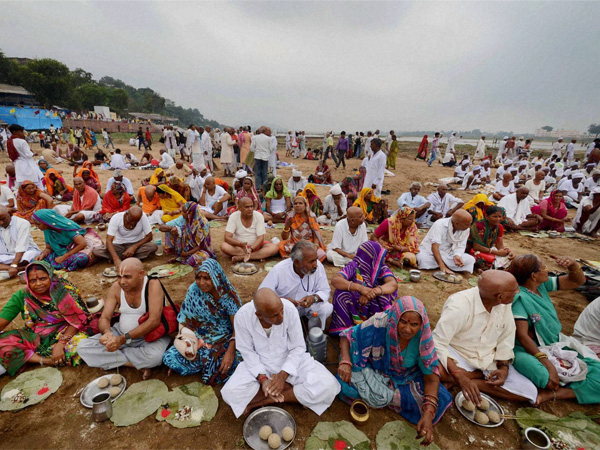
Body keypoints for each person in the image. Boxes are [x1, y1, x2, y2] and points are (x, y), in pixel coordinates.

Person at [337, 297, 452, 446]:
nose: (407, 329)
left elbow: (431, 378)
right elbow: (347, 336)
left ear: (421, 324)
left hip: (404, 378)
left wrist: (428, 416)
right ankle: (389, 398)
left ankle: (385, 397)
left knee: (440, 399)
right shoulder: (379, 323)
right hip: (373, 370)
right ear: (395, 317)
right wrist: (345, 361)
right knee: (344, 384)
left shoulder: (423, 339)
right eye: (403, 322)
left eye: (414, 324)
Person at [221, 288, 340, 417]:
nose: (281, 316)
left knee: (330, 385)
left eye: (281, 311)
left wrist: (283, 376)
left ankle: (263, 401)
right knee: (229, 393)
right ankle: (292, 391)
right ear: (259, 315)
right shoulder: (242, 316)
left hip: (290, 360)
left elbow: (298, 347)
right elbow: (248, 352)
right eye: (275, 315)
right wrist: (263, 380)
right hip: (260, 363)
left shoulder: (289, 309)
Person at [433, 270, 538, 405]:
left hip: (488, 362)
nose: (517, 292)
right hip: (457, 355)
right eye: (515, 290)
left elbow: (506, 337)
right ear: (500, 296)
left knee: (529, 391)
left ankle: (473, 381)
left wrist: (504, 369)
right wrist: (458, 374)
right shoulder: (459, 305)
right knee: (431, 367)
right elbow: (438, 342)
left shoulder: (504, 304)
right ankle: (470, 377)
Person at [508, 254, 600, 405]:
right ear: (534, 276)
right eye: (544, 267)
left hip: (556, 343)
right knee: (544, 376)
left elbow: (577, 281)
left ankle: (557, 393)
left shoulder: (541, 285)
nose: (547, 269)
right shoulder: (521, 298)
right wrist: (548, 365)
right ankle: (563, 383)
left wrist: (573, 266)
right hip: (529, 349)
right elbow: (523, 337)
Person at [0, 261, 100, 376]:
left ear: (51, 276)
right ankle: (46, 360)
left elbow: (79, 318)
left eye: (43, 278)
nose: (38, 284)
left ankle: (29, 357)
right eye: (33, 281)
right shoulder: (23, 295)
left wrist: (61, 343)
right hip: (36, 338)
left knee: (83, 344)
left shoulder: (64, 289)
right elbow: (2, 322)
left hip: (68, 332)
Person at [77, 258, 170, 380]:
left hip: (148, 337)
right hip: (120, 333)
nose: (122, 282)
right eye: (119, 277)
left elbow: (154, 321)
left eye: (127, 277)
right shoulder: (116, 287)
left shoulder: (153, 284)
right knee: (83, 347)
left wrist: (121, 340)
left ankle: (112, 359)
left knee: (155, 357)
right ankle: (134, 364)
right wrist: (107, 333)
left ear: (141, 274)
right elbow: (105, 317)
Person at [162, 259, 241, 382]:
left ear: (216, 277)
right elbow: (184, 320)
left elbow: (238, 328)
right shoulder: (194, 290)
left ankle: (204, 365)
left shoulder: (228, 296)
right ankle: (203, 364)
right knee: (170, 357)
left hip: (224, 338)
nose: (201, 282)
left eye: (206, 278)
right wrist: (190, 341)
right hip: (198, 335)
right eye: (198, 277)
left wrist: (230, 353)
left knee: (228, 362)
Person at [260, 240, 332, 330]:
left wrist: (314, 298)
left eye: (316, 259)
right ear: (297, 262)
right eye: (311, 261)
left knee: (325, 308)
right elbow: (263, 294)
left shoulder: (318, 266)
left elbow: (325, 290)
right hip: (285, 309)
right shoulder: (279, 270)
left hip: (309, 306)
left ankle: (315, 332)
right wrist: (283, 301)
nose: (315, 265)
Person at [329, 241, 399, 334]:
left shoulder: (380, 267)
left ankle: (378, 328)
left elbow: (392, 284)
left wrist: (373, 292)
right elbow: (336, 279)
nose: (382, 259)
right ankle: (346, 330)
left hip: (373, 299)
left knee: (384, 296)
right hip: (357, 301)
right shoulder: (354, 265)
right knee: (340, 294)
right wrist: (360, 289)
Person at [32, 209, 101, 271]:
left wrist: (64, 257)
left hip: (76, 250)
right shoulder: (47, 230)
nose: (37, 227)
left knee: (81, 258)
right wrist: (43, 254)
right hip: (60, 252)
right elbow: (48, 248)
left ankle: (61, 265)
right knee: (35, 261)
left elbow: (82, 244)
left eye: (38, 224)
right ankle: (63, 265)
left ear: (47, 222)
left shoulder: (66, 227)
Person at [93, 206, 157, 268]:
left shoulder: (143, 217)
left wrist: (134, 247)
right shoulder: (116, 218)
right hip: (120, 246)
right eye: (131, 220)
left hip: (137, 246)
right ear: (126, 214)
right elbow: (109, 241)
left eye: (136, 221)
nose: (133, 223)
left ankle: (123, 258)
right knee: (97, 250)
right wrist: (116, 259)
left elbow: (149, 237)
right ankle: (128, 259)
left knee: (153, 247)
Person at [220, 197, 279, 262]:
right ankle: (257, 256)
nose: (250, 209)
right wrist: (240, 244)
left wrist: (251, 248)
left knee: (274, 248)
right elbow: (227, 237)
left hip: (256, 247)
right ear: (239, 208)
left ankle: (242, 257)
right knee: (224, 246)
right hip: (240, 248)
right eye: (247, 207)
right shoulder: (233, 216)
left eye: (251, 206)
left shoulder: (259, 216)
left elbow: (261, 238)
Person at [417, 209, 475, 274]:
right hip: (431, 253)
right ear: (457, 223)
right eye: (467, 224)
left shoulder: (466, 230)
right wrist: (442, 266)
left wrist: (457, 255)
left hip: (448, 254)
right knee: (421, 258)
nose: (469, 226)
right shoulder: (440, 224)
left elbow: (461, 246)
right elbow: (434, 247)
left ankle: (442, 264)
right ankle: (443, 265)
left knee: (470, 260)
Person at [158, 202, 215, 267]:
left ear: (190, 213)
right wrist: (174, 228)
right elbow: (162, 228)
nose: (182, 214)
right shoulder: (185, 220)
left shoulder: (202, 225)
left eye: (184, 212)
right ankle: (180, 256)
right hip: (188, 248)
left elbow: (201, 246)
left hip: (201, 250)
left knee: (195, 259)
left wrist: (187, 253)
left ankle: (183, 258)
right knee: (174, 230)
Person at [279, 196, 327, 261]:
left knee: (321, 254)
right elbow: (284, 237)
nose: (298, 205)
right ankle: (302, 258)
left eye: (300, 203)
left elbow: (316, 234)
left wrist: (315, 246)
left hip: (309, 244)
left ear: (305, 205)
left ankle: (296, 258)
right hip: (295, 244)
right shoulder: (290, 217)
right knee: (280, 246)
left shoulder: (311, 217)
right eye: (295, 203)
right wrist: (287, 226)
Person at [467, 205, 513, 271]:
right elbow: (476, 246)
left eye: (500, 216)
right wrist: (496, 252)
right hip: (472, 250)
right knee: (476, 260)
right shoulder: (478, 225)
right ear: (486, 216)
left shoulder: (499, 227)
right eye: (495, 216)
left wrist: (505, 251)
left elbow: (500, 245)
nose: (498, 219)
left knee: (510, 259)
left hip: (487, 251)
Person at [0, 206, 41, 279]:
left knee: (29, 255)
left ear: (10, 214)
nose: (1, 222)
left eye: (3, 219)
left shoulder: (22, 223)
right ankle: (20, 269)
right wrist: (12, 267)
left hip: (24, 253)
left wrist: (14, 265)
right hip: (5, 256)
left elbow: (21, 247)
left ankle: (10, 268)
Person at [6, 124, 44, 189]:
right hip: (27, 164)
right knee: (36, 183)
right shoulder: (22, 141)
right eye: (21, 131)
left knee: (22, 184)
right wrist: (34, 153)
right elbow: (28, 154)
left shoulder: (9, 141)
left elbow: (9, 154)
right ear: (15, 132)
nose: (23, 133)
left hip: (18, 165)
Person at [251, 127, 272, 192]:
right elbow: (270, 148)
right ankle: (264, 187)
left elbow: (252, 148)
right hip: (265, 157)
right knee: (264, 173)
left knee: (257, 173)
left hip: (257, 156)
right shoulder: (268, 138)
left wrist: (256, 151)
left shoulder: (255, 138)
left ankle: (258, 187)